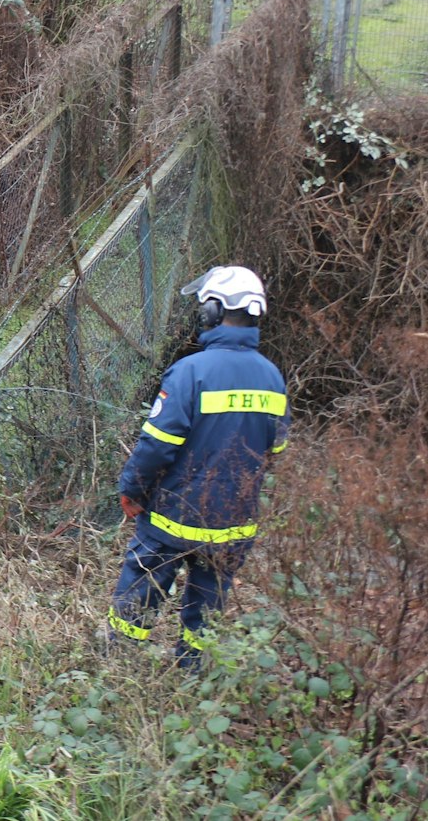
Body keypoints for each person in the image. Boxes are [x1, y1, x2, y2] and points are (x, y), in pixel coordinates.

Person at [106, 265, 289, 670]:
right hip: (233, 525)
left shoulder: (191, 372)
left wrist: (132, 489)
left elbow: (156, 446)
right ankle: (192, 677)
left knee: (139, 595)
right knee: (206, 615)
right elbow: (277, 446)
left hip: (172, 520)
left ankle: (116, 669)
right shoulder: (273, 378)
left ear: (212, 311)